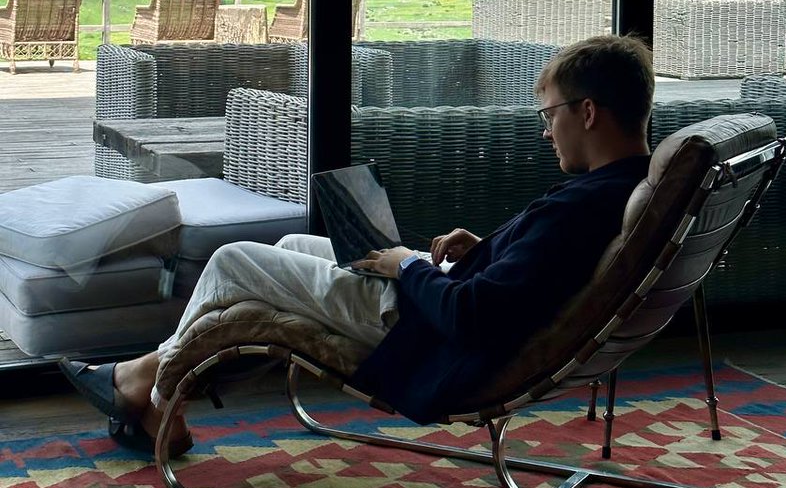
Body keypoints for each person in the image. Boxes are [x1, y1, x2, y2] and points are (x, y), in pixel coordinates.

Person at [60, 34, 654, 451]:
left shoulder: (582, 206)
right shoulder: (621, 188)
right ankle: (152, 388)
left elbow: (475, 318)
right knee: (294, 243)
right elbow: (530, 281)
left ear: (588, 112)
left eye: (550, 115)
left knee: (233, 261)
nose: (546, 131)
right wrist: (484, 252)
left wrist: (405, 269)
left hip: (421, 331)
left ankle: (152, 393)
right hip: (431, 305)